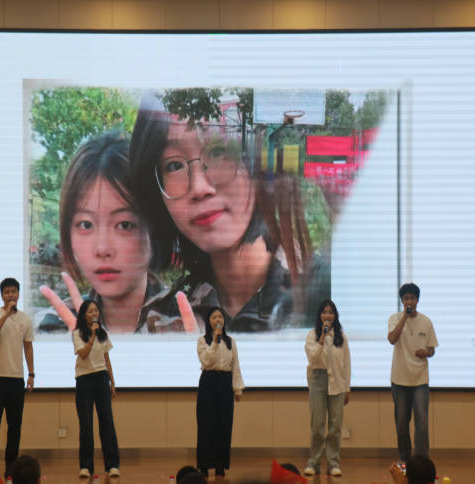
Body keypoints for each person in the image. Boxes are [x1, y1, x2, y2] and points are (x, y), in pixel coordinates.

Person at [128, 91, 330, 333]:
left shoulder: (330, 296)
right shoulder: (158, 324)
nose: (199, 188)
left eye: (218, 152)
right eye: (175, 165)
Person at [39, 131, 166, 334]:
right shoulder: (52, 330)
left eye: (124, 225)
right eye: (86, 225)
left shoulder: (195, 326)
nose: (102, 249)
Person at [0, 278, 35, 480]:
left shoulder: (25, 319)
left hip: (16, 379)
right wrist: (6, 315)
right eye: (7, 292)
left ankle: (11, 466)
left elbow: (28, 348)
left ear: (18, 294)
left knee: (15, 426)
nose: (11, 295)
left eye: (14, 291)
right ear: (2, 295)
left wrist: (31, 374)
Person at [388, 283, 439, 462]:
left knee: (422, 422)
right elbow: (392, 339)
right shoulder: (395, 319)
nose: (409, 301)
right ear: (402, 301)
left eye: (412, 298)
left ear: (417, 300)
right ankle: (405, 459)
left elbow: (432, 349)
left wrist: (427, 353)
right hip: (399, 379)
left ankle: (421, 461)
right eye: (406, 298)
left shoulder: (426, 322)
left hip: (420, 380)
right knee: (402, 423)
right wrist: (404, 318)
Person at [73, 299, 120, 478]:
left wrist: (112, 383)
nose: (94, 314)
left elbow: (107, 359)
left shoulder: (103, 334)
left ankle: (112, 465)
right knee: (86, 424)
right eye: (90, 311)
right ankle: (86, 466)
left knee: (107, 421)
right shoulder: (78, 334)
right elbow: (84, 355)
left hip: (101, 379)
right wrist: (92, 336)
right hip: (84, 380)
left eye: (96, 311)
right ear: (83, 315)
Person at [303, 300, 351, 476]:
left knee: (335, 427)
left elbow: (346, 364)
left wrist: (347, 388)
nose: (327, 315)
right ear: (319, 316)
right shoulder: (312, 335)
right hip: (318, 381)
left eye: (331, 312)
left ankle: (333, 464)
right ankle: (314, 464)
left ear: (335, 316)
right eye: (324, 312)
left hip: (337, 382)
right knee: (317, 426)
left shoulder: (341, 337)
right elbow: (313, 358)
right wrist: (322, 338)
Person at [196, 305, 244, 477]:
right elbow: (206, 361)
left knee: (224, 424)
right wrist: (215, 341)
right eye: (214, 317)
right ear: (208, 321)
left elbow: (235, 365)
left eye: (220, 317)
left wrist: (237, 389)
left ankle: (220, 465)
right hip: (208, 381)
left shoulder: (230, 341)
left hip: (225, 382)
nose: (218, 320)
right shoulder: (203, 341)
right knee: (206, 424)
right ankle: (204, 466)